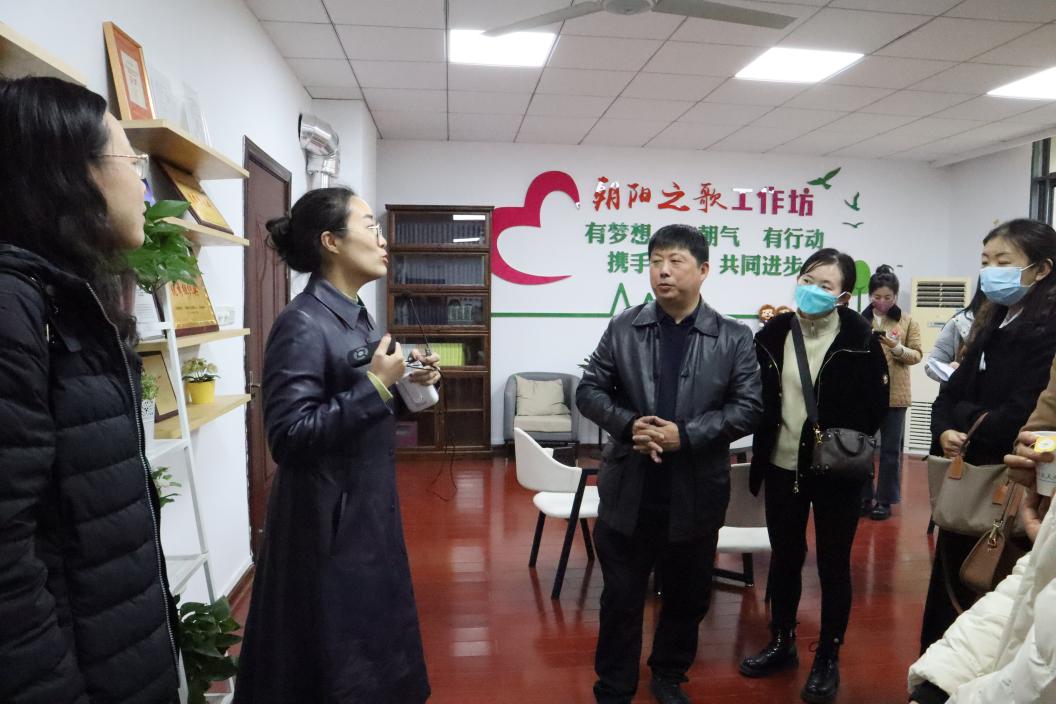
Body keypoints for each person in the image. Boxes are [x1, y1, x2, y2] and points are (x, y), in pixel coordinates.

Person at [0, 77, 179, 701]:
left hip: (114, 650)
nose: (144, 189)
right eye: (131, 163)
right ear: (69, 174)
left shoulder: (67, 299)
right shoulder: (14, 308)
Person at [234, 187, 438, 703]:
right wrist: (376, 385)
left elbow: (357, 401)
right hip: (325, 525)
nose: (383, 240)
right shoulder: (302, 323)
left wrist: (405, 384)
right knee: (332, 664)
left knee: (371, 651)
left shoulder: (355, 314)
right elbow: (289, 436)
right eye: (370, 227)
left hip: (362, 511)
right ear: (331, 241)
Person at [577, 224, 762, 704]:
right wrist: (628, 425)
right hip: (629, 489)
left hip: (695, 492)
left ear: (703, 270)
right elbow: (589, 390)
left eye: (675, 261)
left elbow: (749, 408)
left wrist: (687, 435)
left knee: (686, 597)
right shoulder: (624, 327)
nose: (663, 271)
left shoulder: (733, 337)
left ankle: (669, 674)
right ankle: (614, 685)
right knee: (620, 598)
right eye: (656, 260)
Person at [739, 249, 889, 704]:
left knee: (833, 564)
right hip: (781, 465)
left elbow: (875, 409)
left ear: (842, 296)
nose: (813, 290)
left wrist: (836, 438)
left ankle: (827, 655)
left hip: (835, 471)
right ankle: (782, 640)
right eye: (808, 279)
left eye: (826, 285)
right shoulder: (772, 334)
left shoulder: (860, 340)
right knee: (785, 558)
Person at [921, 218, 1056, 653]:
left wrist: (965, 418)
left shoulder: (1047, 332)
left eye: (1003, 261)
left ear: (1042, 269)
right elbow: (949, 391)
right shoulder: (989, 317)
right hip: (968, 476)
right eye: (985, 261)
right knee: (949, 579)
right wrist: (944, 427)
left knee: (990, 589)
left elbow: (1022, 416)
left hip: (1009, 480)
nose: (990, 271)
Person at [907, 356, 1056, 704]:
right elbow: (1030, 592)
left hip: (1005, 508)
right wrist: (938, 685)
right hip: (1013, 514)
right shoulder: (984, 331)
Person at [860, 265, 922, 520]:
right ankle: (863, 496)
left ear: (896, 296)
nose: (883, 302)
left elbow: (916, 355)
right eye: (877, 297)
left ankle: (885, 500)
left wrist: (896, 347)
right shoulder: (859, 320)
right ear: (870, 296)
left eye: (888, 297)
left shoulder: (907, 321)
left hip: (896, 394)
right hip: (865, 394)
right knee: (861, 449)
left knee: (889, 452)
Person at [924, 283, 985, 384]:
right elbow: (932, 365)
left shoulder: (1012, 324)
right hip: (963, 391)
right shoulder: (959, 322)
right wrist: (953, 372)